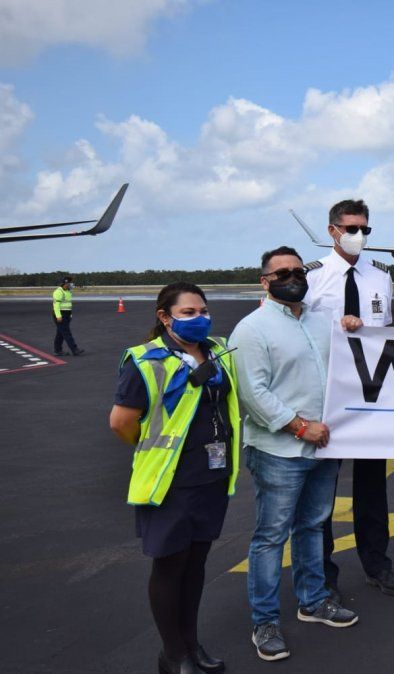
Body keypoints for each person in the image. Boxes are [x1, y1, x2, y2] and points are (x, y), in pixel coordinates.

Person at [231, 247, 357, 663]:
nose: (292, 276)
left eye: (298, 270)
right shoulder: (252, 330)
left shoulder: (322, 322)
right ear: (264, 281)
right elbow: (253, 393)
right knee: (271, 536)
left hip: (324, 447)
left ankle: (313, 601)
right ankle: (264, 621)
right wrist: (301, 426)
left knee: (312, 526)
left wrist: (355, 327)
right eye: (281, 272)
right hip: (280, 449)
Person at [109, 282, 240, 674]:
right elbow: (121, 423)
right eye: (188, 313)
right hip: (171, 479)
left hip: (211, 475)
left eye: (203, 310)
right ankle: (173, 654)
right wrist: (156, 447)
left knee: (196, 564)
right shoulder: (145, 361)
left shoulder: (219, 351)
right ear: (164, 317)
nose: (199, 318)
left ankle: (192, 643)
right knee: (170, 566)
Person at [302, 199, 394, 597]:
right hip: (324, 396)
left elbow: (388, 335)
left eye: (365, 229)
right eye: (351, 228)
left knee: (371, 488)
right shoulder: (312, 277)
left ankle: (377, 563)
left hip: (368, 396)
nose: (358, 236)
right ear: (332, 230)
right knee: (321, 493)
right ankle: (323, 574)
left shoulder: (381, 277)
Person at [52, 275, 84, 356]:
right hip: (60, 314)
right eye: (69, 284)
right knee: (67, 333)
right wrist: (58, 316)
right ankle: (75, 349)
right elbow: (56, 305)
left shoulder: (68, 292)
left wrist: (70, 315)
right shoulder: (58, 292)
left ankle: (57, 350)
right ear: (65, 284)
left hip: (66, 314)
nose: (71, 285)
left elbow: (68, 305)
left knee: (60, 333)